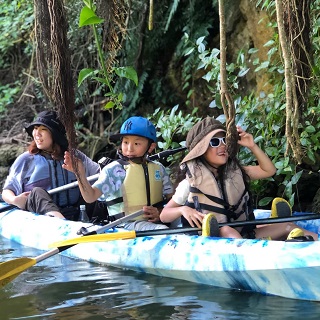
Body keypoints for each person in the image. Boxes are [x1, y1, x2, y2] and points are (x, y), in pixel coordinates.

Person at [160, 117, 318, 240]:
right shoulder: (189, 183)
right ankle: (268, 248)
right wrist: (183, 209)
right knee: (227, 230)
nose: (222, 146)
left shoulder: (236, 173)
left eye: (224, 141)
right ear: (201, 151)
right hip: (215, 239)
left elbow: (268, 170)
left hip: (245, 234)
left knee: (287, 226)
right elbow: (164, 215)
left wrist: (252, 146)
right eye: (214, 142)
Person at [63, 116, 174, 231]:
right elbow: (90, 197)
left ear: (151, 147)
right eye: (125, 142)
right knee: (162, 229)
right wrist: (79, 173)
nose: (129, 149)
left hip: (157, 221)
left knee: (182, 221)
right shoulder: (115, 170)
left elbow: (172, 200)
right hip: (126, 225)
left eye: (136, 144)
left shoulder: (158, 169)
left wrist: (161, 212)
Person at [2, 110, 100, 219]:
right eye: (35, 128)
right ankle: (60, 222)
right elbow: (7, 191)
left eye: (43, 129)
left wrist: (80, 173)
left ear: (55, 135)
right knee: (37, 192)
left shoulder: (74, 156)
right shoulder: (26, 160)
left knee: (90, 192)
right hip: (41, 216)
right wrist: (14, 200)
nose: (37, 133)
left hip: (76, 212)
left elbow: (100, 176)